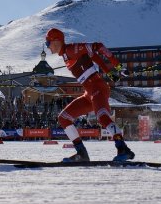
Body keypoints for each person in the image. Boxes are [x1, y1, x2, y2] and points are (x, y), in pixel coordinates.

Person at [44, 28, 135, 163]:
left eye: (48, 43)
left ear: (56, 41)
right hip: (89, 94)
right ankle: (81, 153)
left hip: (98, 89)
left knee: (102, 117)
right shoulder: (65, 55)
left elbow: (97, 46)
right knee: (63, 118)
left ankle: (123, 149)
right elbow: (92, 55)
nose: (47, 47)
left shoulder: (71, 49)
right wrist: (109, 72)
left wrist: (118, 66)